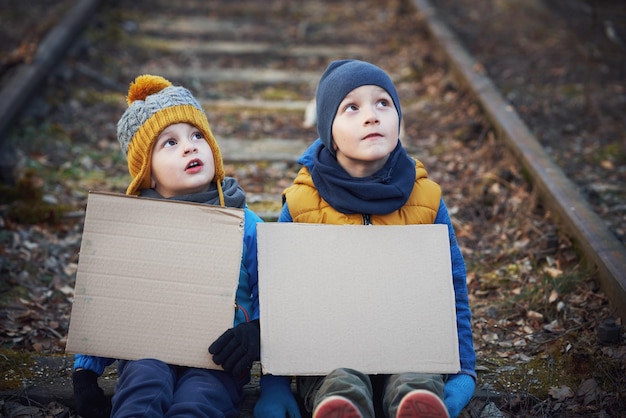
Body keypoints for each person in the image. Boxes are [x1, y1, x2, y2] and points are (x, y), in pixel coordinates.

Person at [71, 74, 300, 418]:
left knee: (201, 399)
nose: (190, 146)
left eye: (197, 136)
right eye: (170, 143)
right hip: (146, 347)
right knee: (142, 386)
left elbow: (271, 291)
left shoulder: (244, 221)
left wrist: (256, 332)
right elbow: (108, 302)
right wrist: (85, 372)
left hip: (218, 356)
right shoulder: (133, 225)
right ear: (147, 174)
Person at [261, 60, 477, 418]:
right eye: (352, 107)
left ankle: (417, 405)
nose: (372, 116)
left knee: (416, 377)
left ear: (398, 119)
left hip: (408, 345)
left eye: (383, 103)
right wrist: (274, 385)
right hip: (329, 354)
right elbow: (280, 299)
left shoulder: (426, 199)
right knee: (339, 381)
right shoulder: (301, 204)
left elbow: (452, 287)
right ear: (329, 131)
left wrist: (463, 371)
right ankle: (342, 409)